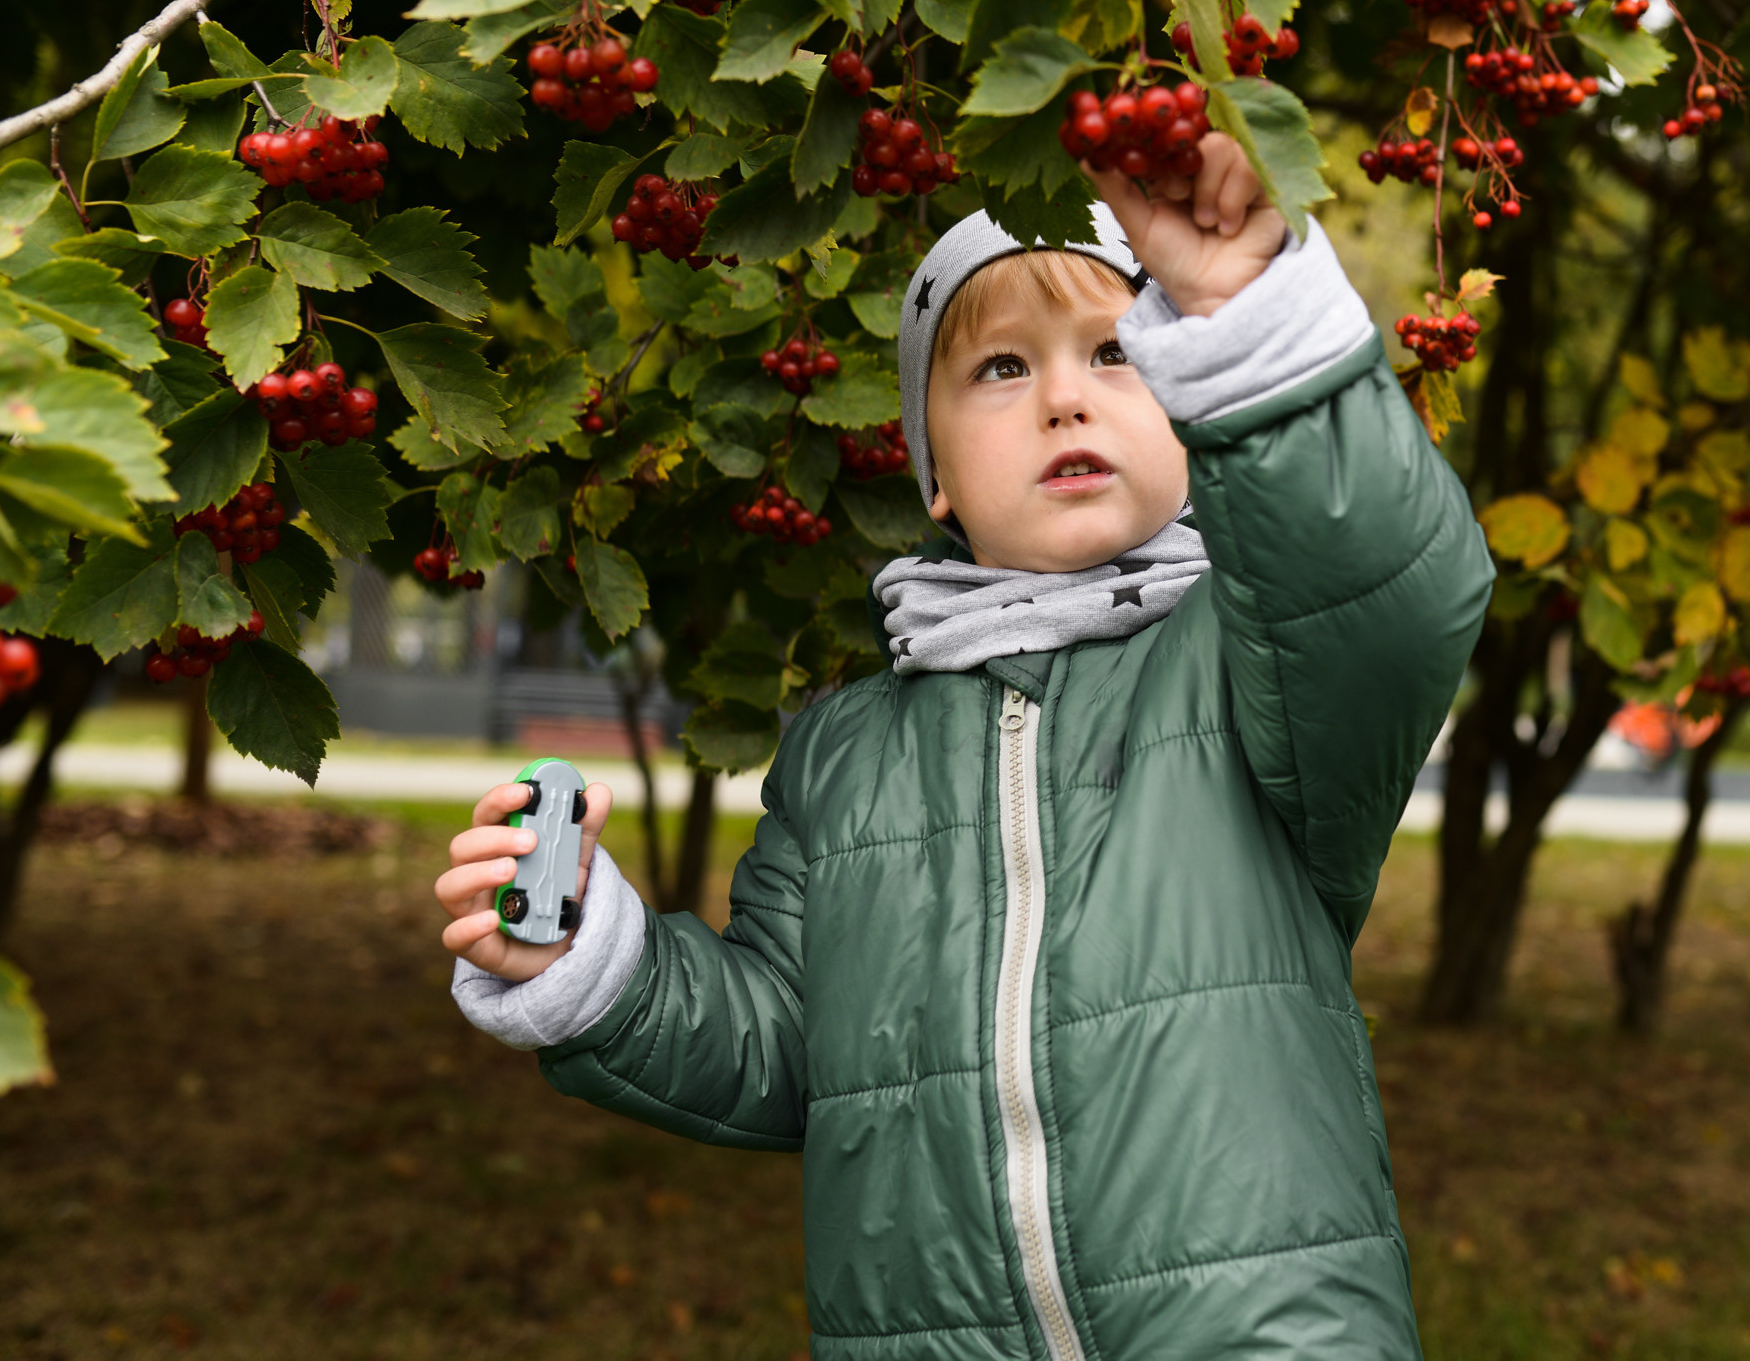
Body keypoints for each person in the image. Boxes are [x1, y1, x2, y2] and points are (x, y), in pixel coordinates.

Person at [433, 131, 1493, 1359]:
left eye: (1117, 350)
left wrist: (1247, 319)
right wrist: (595, 969)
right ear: (933, 475)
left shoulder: (1249, 668)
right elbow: (787, 1046)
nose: (1065, 394)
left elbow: (1376, 587)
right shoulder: (844, 753)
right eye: (1000, 366)